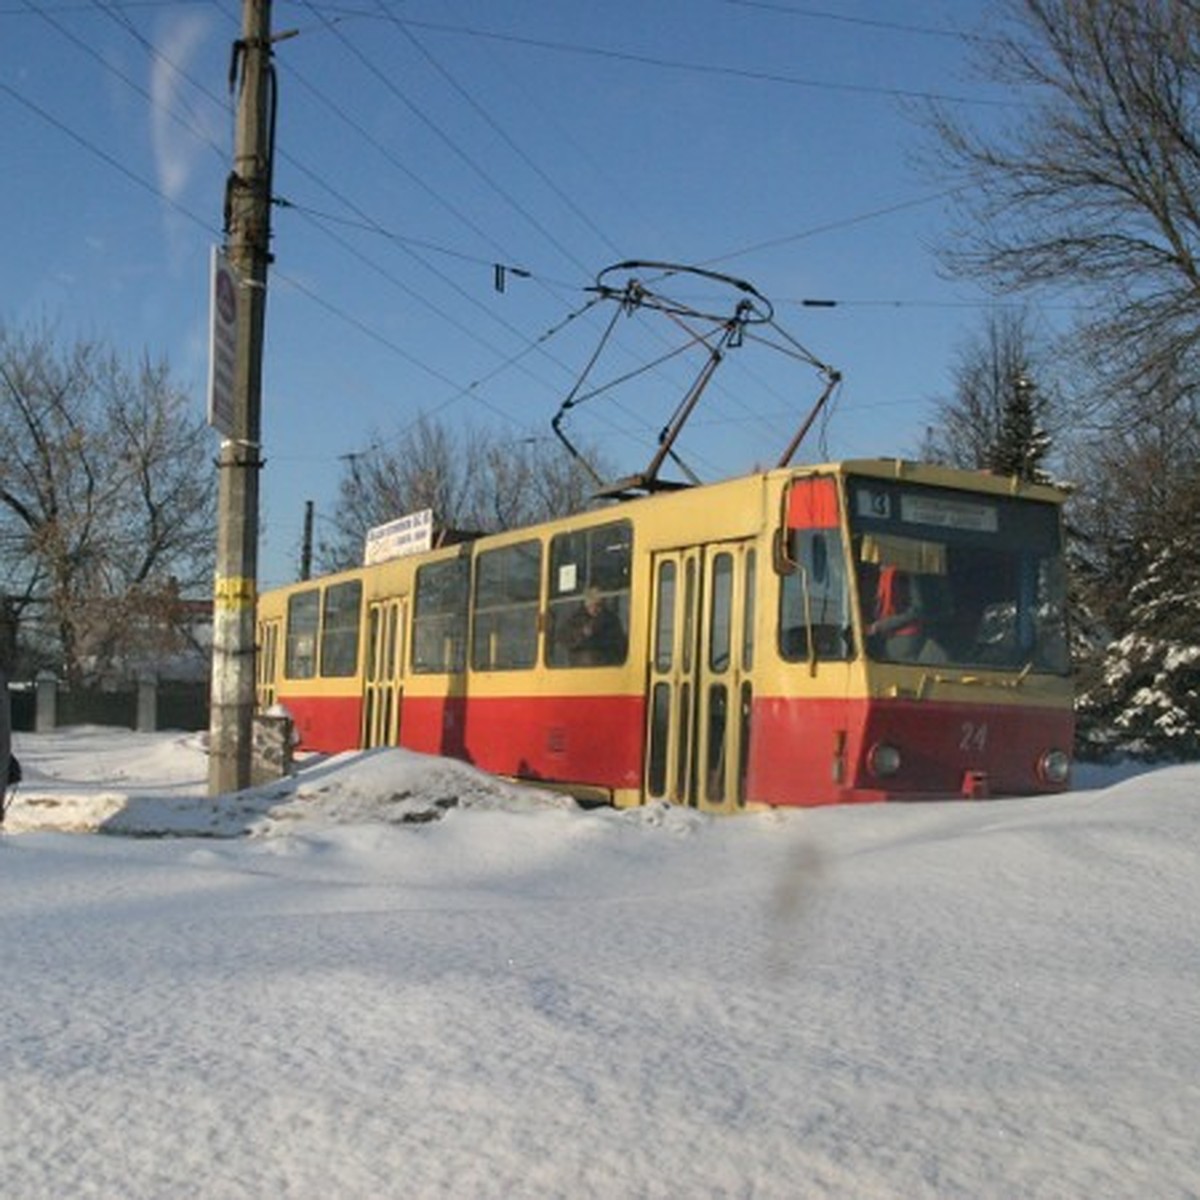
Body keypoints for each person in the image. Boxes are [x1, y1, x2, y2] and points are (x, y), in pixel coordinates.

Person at [564, 587, 625, 665]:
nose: (595, 609)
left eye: (598, 605)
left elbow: (619, 644)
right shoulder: (576, 619)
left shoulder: (611, 620)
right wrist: (582, 633)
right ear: (586, 604)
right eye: (591, 605)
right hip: (579, 667)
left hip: (607, 666)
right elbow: (564, 638)